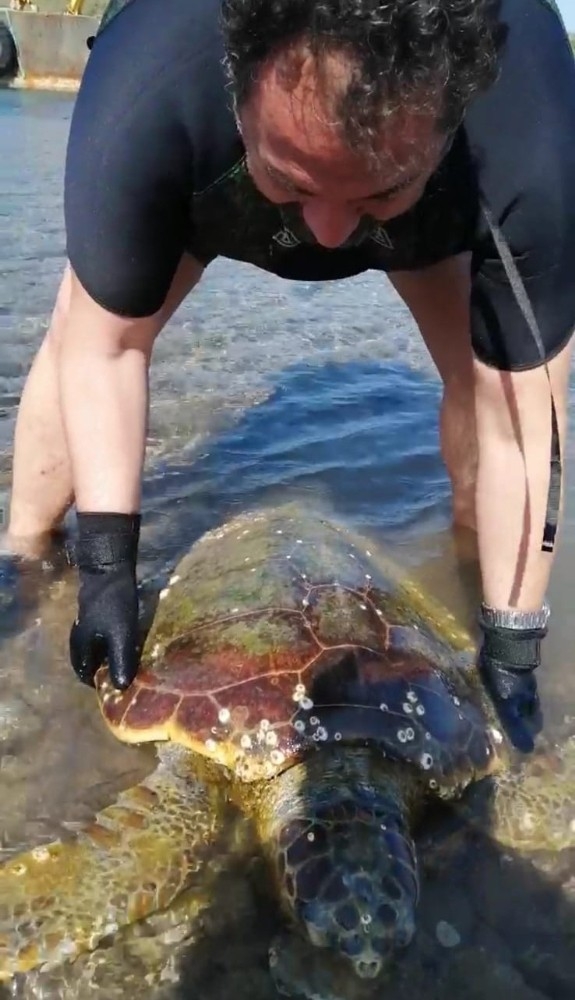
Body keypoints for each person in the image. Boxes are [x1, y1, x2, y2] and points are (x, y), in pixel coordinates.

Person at [6, 0, 575, 752]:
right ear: (233, 76)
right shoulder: (152, 78)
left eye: (371, 196)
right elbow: (105, 350)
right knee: (87, 318)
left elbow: (523, 420)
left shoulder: (527, 120)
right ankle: (23, 555)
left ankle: (472, 570)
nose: (329, 237)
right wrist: (106, 572)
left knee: (487, 390)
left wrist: (513, 643)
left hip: (430, 208)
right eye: (294, 183)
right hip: (219, 176)